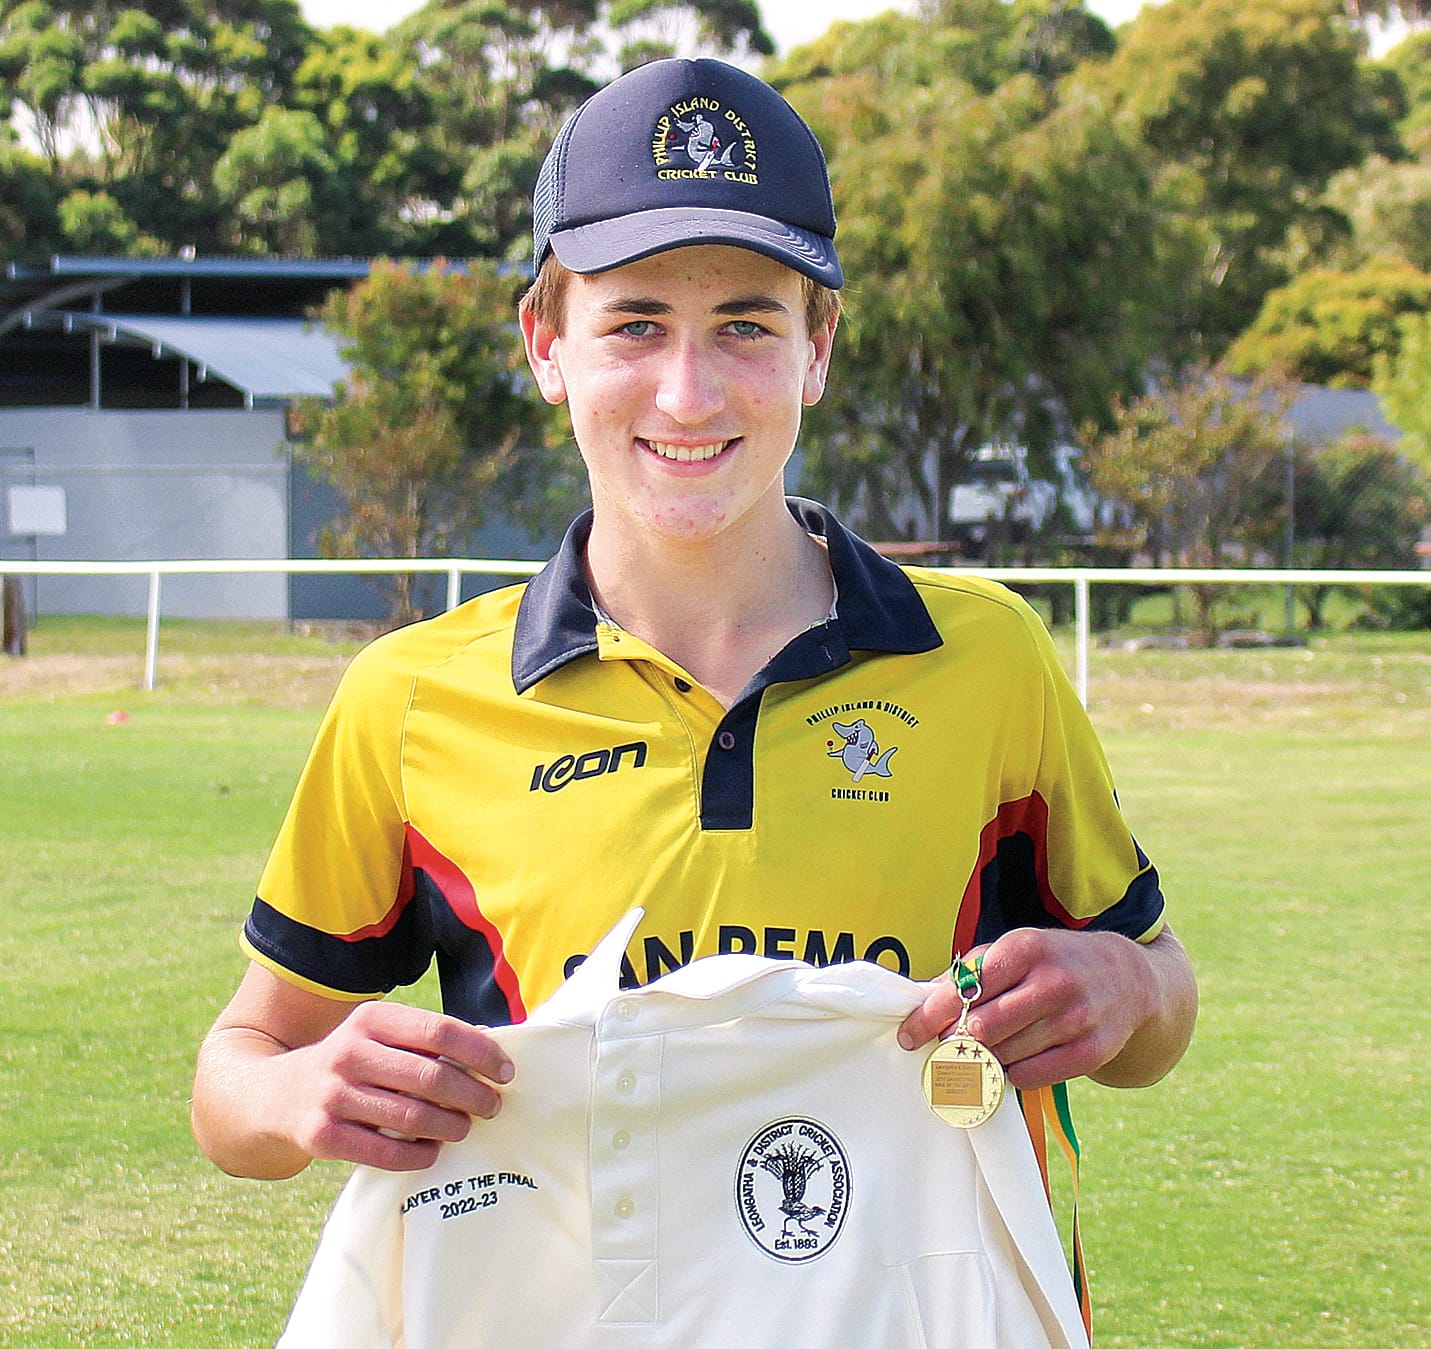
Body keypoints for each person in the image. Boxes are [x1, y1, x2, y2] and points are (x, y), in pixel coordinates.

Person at [192, 58, 1195, 1193]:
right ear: (545, 345)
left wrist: (1131, 986)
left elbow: (1158, 997)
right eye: (634, 324)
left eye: (744, 326)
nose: (687, 393)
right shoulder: (411, 699)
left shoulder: (988, 659)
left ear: (817, 347)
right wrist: (295, 1091)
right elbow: (238, 1070)